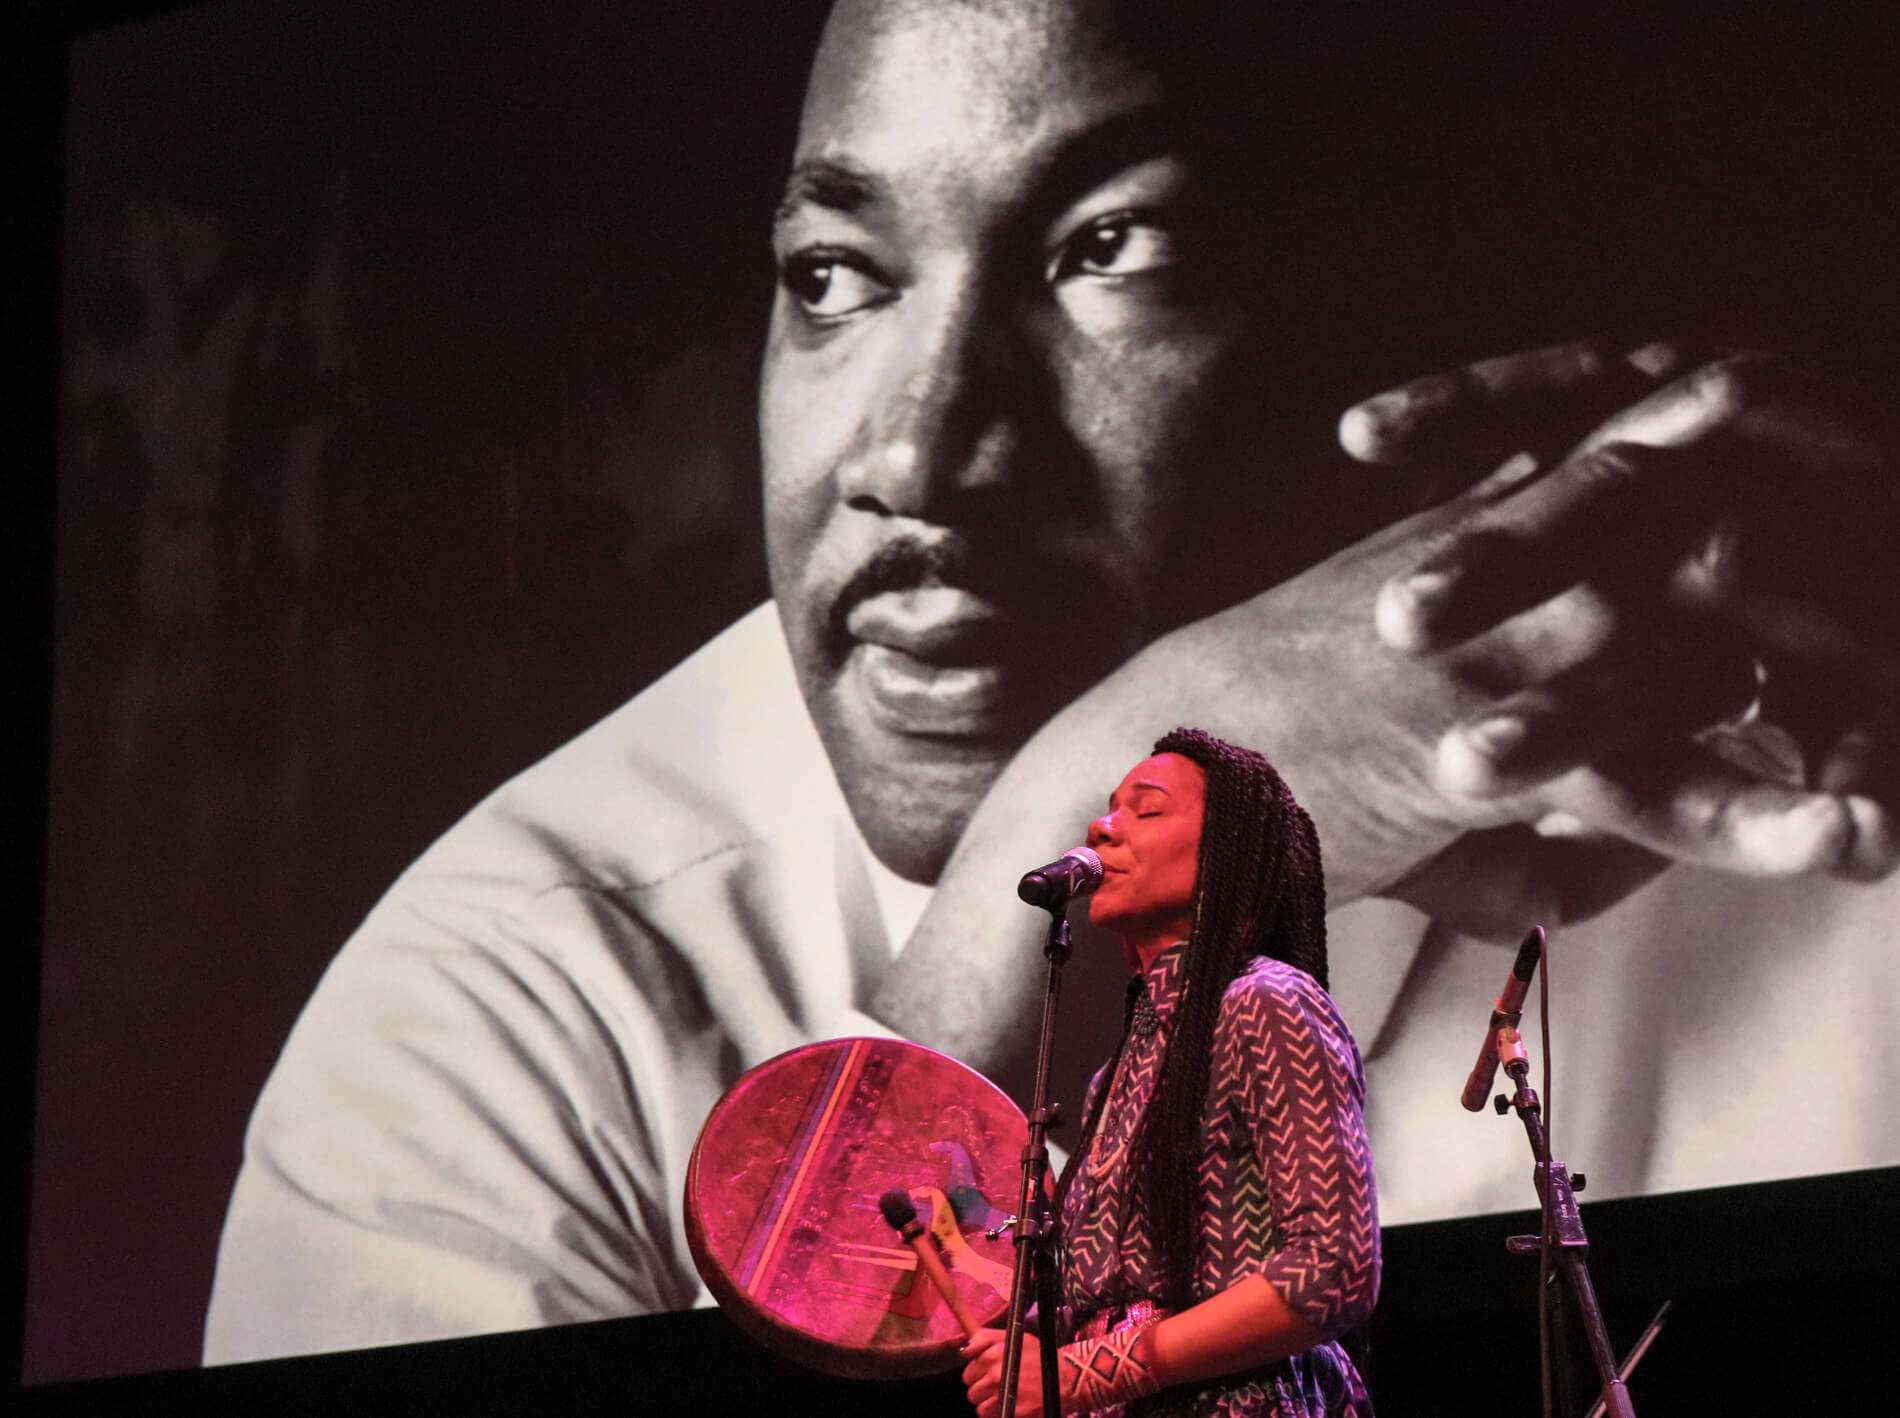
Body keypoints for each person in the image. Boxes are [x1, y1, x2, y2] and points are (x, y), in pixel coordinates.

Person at [205, 0, 1900, 1361]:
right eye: (833, 278)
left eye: (1113, 247)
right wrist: (1051, 892)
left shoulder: (1791, 781)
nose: (920, 451)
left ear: (1421, 299)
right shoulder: (515, 1009)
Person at [961, 729, 1378, 1418]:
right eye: (1107, 808)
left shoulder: (1266, 1003)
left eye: (1145, 810)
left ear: (1225, 858)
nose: (1101, 827)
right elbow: (1111, 1299)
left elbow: (1332, 1272)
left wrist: (1093, 1372)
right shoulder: (1116, 1076)